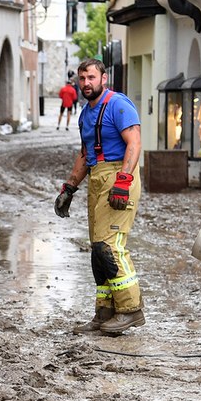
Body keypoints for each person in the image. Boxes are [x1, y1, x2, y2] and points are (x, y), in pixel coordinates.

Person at [52, 59, 146, 335]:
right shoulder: (85, 113)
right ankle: (105, 312)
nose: (86, 84)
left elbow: (135, 142)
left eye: (91, 77)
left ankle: (130, 309)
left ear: (103, 78)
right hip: (97, 176)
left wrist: (124, 181)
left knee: (110, 245)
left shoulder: (118, 104)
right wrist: (70, 187)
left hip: (119, 175)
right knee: (98, 251)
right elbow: (85, 153)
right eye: (82, 79)